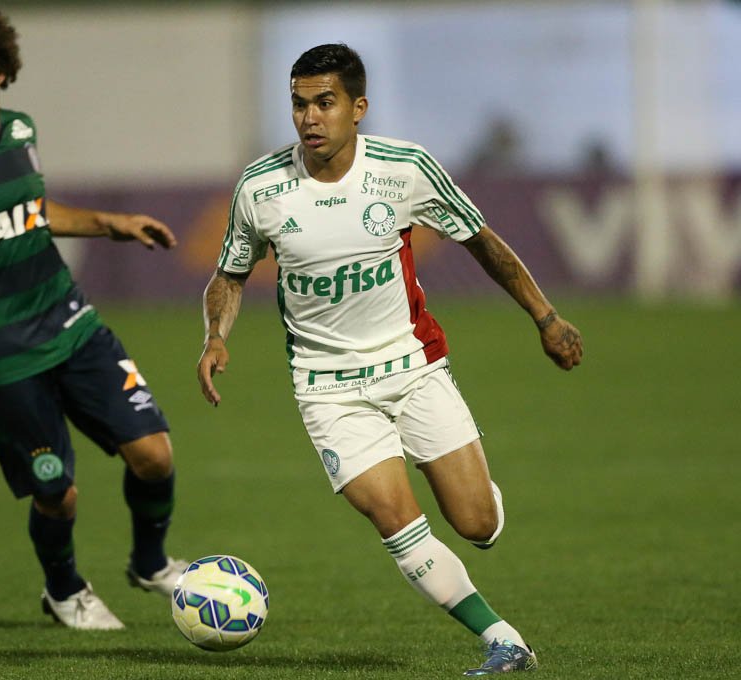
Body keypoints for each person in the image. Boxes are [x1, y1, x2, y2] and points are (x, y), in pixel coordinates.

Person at [198, 44, 583, 675]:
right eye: (299, 104)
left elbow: (481, 241)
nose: (310, 118)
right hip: (328, 390)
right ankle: (503, 640)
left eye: (325, 103)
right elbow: (230, 274)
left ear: (358, 108)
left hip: (413, 368)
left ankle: (477, 493)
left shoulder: (404, 170)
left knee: (476, 524)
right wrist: (216, 336)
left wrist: (545, 317)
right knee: (393, 518)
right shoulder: (260, 187)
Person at [0, 0, 186, 631]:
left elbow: (35, 210)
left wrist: (109, 224)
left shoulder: (20, 131)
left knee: (155, 455)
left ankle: (151, 563)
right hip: (1, 354)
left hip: (72, 326)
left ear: (1, 70)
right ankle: (64, 590)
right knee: (57, 490)